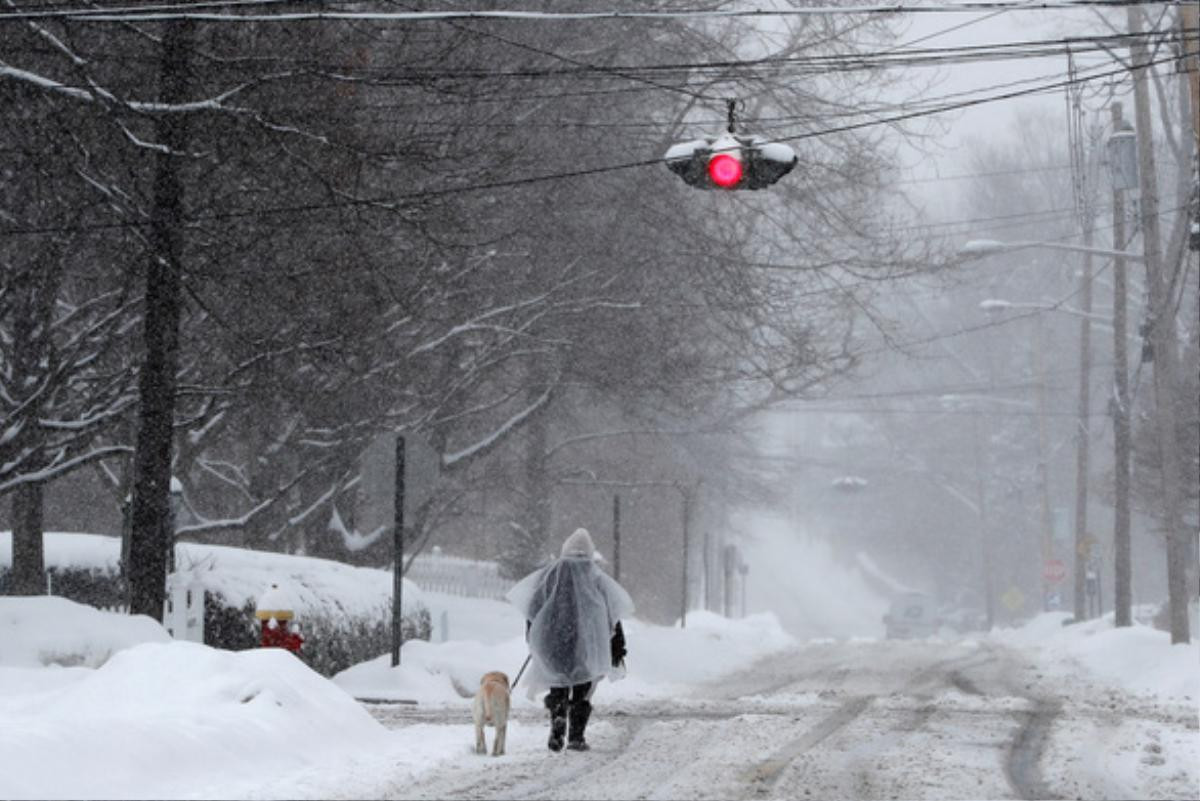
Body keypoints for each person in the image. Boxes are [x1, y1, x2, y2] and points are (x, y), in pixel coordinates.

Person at [506, 528, 633, 752]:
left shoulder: (550, 576)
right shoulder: (596, 578)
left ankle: (558, 714)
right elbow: (612, 614)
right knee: (583, 688)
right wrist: (617, 646)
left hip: (555, 641)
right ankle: (576, 736)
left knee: (558, 683)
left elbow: (534, 608)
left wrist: (534, 636)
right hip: (587, 644)